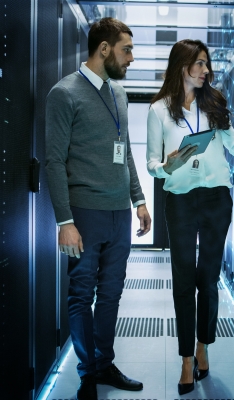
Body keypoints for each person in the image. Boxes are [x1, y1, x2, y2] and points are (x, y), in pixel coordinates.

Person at [146, 38, 234, 395]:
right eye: (200, 64)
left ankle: (202, 346)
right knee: (182, 281)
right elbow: (151, 163)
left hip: (216, 200)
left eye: (207, 64)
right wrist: (167, 165)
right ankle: (186, 360)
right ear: (183, 66)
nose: (207, 71)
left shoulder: (215, 104)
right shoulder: (159, 110)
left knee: (207, 279)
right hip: (178, 200)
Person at [45, 18, 151, 400]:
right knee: (81, 293)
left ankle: (104, 363)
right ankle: (88, 371)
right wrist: (65, 221)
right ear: (104, 49)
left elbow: (125, 156)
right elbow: (53, 162)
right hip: (84, 214)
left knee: (111, 295)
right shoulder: (64, 94)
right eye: (126, 49)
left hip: (119, 213)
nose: (131, 58)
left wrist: (139, 200)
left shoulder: (118, 93)